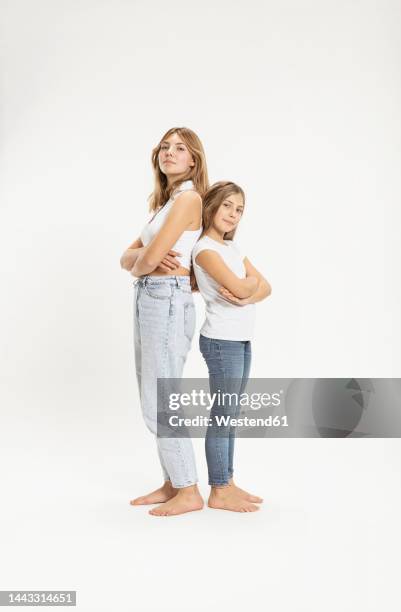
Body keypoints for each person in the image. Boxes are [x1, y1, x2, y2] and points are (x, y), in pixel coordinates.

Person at [120, 127, 209, 516]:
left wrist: (141, 262)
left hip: (167, 299)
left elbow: (145, 259)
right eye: (165, 147)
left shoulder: (188, 198)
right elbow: (129, 257)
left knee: (161, 396)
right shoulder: (165, 203)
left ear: (194, 160)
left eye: (180, 149)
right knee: (151, 392)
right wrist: (140, 263)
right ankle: (173, 482)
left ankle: (189, 490)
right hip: (152, 297)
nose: (169, 153)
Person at [192, 181, 272, 512]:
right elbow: (243, 286)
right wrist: (248, 288)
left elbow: (265, 287)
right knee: (223, 414)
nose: (233, 214)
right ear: (211, 205)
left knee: (231, 414)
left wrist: (248, 290)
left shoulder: (233, 250)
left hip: (240, 339)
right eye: (227, 205)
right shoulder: (206, 250)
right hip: (221, 342)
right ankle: (219, 489)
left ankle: (227, 480)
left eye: (239, 209)